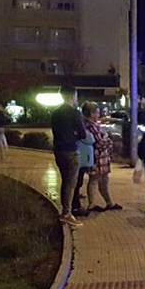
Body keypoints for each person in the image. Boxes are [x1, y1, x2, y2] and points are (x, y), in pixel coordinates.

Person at [51, 85, 86, 227]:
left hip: (59, 151)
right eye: (76, 96)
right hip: (71, 150)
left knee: (65, 181)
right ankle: (67, 213)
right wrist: (74, 134)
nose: (76, 99)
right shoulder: (75, 113)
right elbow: (83, 134)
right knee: (71, 183)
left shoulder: (55, 113)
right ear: (72, 96)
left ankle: (65, 211)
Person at [85, 104, 121, 212]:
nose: (99, 115)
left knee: (103, 180)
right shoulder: (91, 127)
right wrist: (109, 140)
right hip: (98, 158)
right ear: (91, 113)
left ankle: (109, 202)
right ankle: (92, 204)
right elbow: (100, 143)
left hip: (101, 158)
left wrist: (106, 139)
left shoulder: (90, 125)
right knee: (95, 179)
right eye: (97, 112)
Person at [72, 102, 98, 218]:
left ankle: (75, 205)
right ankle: (75, 207)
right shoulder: (86, 125)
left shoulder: (84, 123)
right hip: (81, 157)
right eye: (97, 112)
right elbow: (90, 138)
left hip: (83, 158)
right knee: (77, 182)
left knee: (78, 182)